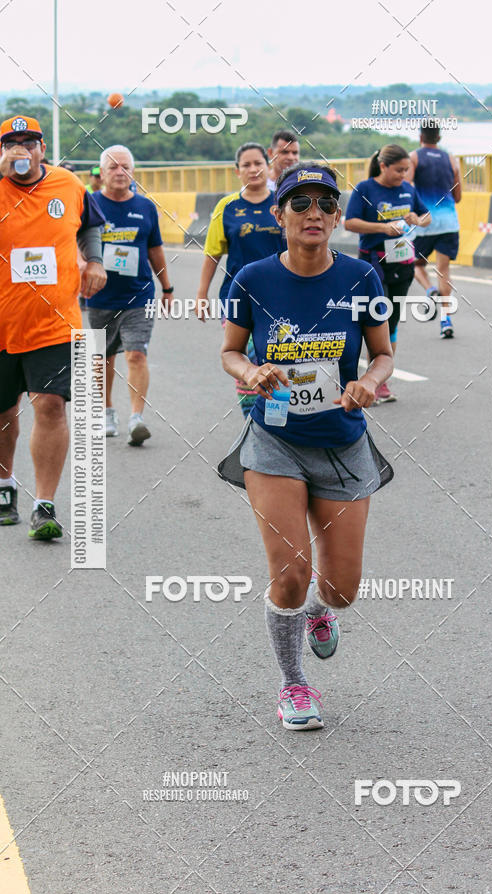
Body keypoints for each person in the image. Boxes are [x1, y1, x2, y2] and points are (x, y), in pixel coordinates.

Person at [218, 162, 394, 729]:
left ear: (337, 217)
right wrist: (248, 372)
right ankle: (293, 686)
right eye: (301, 204)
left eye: (325, 204)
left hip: (342, 443)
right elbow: (230, 351)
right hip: (275, 439)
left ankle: (322, 613)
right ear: (280, 215)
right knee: (291, 572)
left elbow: (384, 353)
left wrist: (368, 381)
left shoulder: (361, 279)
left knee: (341, 588)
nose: (313, 213)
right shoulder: (253, 280)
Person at [0, 114, 106, 538]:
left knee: (50, 404)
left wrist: (95, 261)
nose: (22, 150)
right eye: (12, 143)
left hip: (56, 322)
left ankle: (45, 505)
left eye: (30, 142)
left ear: (43, 148)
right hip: (4, 321)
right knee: (4, 413)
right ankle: (5, 487)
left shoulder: (68, 185)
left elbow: (92, 224)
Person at [86, 144, 172, 446]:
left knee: (136, 353)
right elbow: (73, 244)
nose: (120, 172)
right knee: (103, 357)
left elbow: (155, 249)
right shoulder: (90, 204)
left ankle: (137, 417)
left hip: (139, 295)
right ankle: (107, 412)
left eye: (125, 167)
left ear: (133, 171)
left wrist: (167, 288)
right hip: (99, 296)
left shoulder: (146, 207)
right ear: (102, 172)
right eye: (113, 167)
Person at [196, 142, 285, 416]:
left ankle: (277, 415)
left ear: (268, 166)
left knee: (277, 359)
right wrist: (202, 295)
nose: (253, 169)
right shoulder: (227, 207)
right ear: (237, 172)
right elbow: (212, 253)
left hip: (282, 296)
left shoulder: (282, 202)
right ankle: (252, 418)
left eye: (258, 163)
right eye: (246, 165)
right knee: (246, 359)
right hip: (237, 299)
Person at [344, 144, 431, 403]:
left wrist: (417, 218)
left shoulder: (408, 189)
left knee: (391, 323)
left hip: (402, 263)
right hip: (374, 264)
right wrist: (383, 228)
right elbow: (349, 222)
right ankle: (366, 378)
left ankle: (380, 381)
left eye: (406, 170)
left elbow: (426, 215)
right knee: (375, 322)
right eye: (398, 170)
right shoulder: (366, 189)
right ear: (383, 166)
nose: (403, 175)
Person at [410, 120, 461, 338]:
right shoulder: (451, 159)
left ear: (420, 136)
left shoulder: (414, 157)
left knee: (414, 264)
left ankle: (430, 290)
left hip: (425, 222)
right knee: (444, 270)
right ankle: (445, 320)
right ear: (439, 138)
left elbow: (406, 186)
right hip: (449, 221)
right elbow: (458, 196)